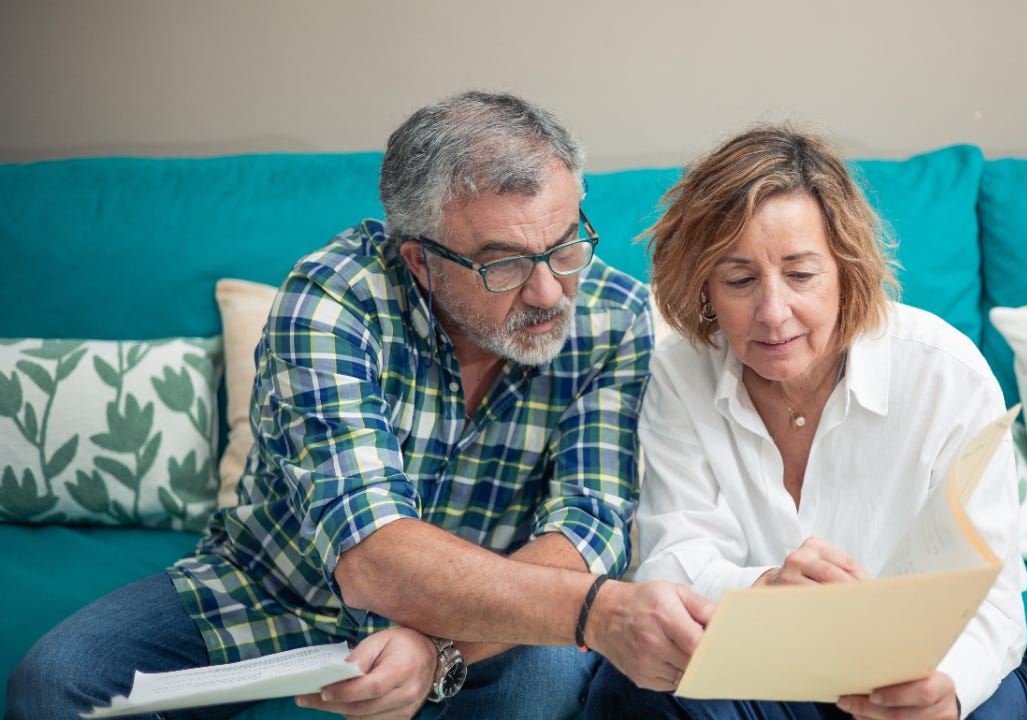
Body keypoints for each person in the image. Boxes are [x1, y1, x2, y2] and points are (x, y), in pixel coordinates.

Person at [7, 91, 714, 720]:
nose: (549, 293)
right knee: (56, 682)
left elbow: (587, 525)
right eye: (503, 263)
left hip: (505, 605)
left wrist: (437, 647)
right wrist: (598, 612)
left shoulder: (615, 315)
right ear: (419, 261)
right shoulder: (330, 301)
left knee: (545, 685)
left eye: (564, 246)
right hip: (280, 589)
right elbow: (372, 560)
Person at [585, 127, 1027, 720]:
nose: (773, 314)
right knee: (632, 691)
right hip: (763, 660)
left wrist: (946, 691)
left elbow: (994, 596)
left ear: (847, 270)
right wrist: (768, 590)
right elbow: (673, 558)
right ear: (703, 288)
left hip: (928, 658)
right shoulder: (679, 373)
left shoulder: (946, 374)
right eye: (740, 280)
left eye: (801, 275)